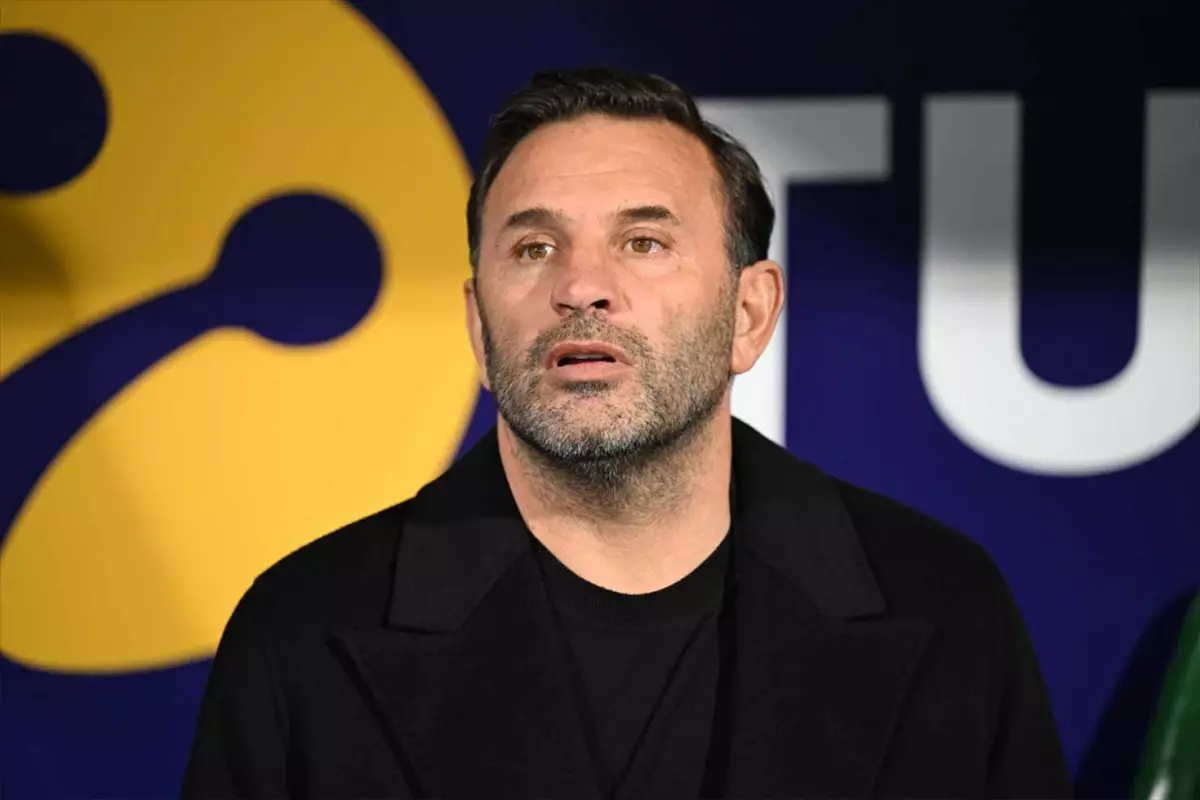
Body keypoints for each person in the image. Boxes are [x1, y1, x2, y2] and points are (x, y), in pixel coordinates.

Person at [183, 68, 1072, 799]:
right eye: (533, 249)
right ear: (478, 327)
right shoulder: (302, 631)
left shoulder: (946, 607)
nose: (581, 287)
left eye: (643, 242)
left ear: (749, 315)